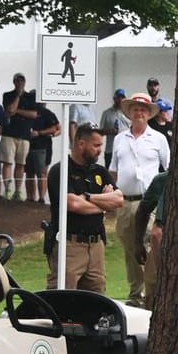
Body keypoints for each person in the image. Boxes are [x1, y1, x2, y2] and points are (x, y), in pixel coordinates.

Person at [109, 92, 169, 308]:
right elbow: (114, 170)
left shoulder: (159, 139)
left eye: (143, 109)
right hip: (125, 200)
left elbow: (168, 168)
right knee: (130, 247)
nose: (139, 113)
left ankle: (151, 293)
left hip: (149, 201)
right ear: (130, 113)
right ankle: (136, 292)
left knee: (150, 244)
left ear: (149, 113)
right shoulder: (119, 139)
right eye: (135, 109)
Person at [47, 124, 121, 292]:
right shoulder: (61, 170)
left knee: (97, 297)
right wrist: (103, 204)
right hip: (70, 245)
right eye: (96, 145)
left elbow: (118, 199)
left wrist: (88, 197)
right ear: (81, 144)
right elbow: (73, 204)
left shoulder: (100, 171)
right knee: (64, 295)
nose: (100, 150)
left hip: (96, 245)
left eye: (101, 145)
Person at [0, 75, 35, 201]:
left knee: (21, 164)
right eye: (18, 81)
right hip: (9, 133)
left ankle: (18, 190)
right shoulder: (7, 95)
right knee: (8, 162)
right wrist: (18, 96)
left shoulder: (31, 97)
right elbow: (9, 110)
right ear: (14, 82)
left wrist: (18, 111)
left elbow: (34, 114)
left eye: (22, 81)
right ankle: (8, 189)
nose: (20, 83)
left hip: (24, 134)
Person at [26, 101, 61, 205]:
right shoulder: (28, 112)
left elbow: (56, 128)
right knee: (29, 172)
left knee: (42, 173)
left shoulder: (48, 113)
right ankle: (30, 197)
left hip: (43, 146)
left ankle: (41, 198)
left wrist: (40, 133)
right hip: (28, 146)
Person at [98, 88, 132, 165]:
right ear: (114, 98)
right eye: (118, 97)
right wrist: (109, 131)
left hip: (126, 150)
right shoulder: (106, 113)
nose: (120, 100)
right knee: (110, 175)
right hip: (111, 150)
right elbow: (100, 132)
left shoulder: (129, 113)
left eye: (122, 97)